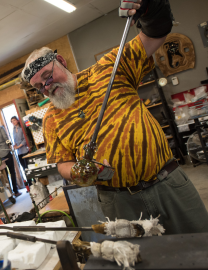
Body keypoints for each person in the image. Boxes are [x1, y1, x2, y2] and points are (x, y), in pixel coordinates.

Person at [21, 0, 208, 234]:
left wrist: (150, 8)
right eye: (39, 87)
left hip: (168, 183)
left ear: (61, 61)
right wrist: (79, 171)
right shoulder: (51, 118)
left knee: (201, 246)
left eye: (48, 76)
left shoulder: (109, 69)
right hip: (119, 201)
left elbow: (156, 32)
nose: (47, 87)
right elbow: (62, 164)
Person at [10, 116, 31, 185]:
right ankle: (29, 184)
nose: (13, 122)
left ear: (17, 120)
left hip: (24, 150)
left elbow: (25, 139)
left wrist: (19, 146)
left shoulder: (21, 128)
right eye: (12, 121)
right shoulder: (13, 129)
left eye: (14, 120)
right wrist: (15, 145)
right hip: (19, 152)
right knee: (24, 168)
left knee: (27, 167)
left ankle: (31, 183)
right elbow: (15, 140)